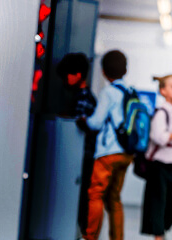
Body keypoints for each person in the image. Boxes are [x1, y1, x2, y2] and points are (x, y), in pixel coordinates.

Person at [82, 50, 133, 240]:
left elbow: (95, 122)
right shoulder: (130, 91)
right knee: (114, 198)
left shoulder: (108, 92)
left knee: (95, 194)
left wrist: (83, 121)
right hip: (127, 153)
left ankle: (90, 237)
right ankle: (117, 238)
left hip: (108, 152)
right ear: (125, 70)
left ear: (103, 71)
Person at [54, 53, 98, 236]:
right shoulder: (85, 96)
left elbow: (78, 124)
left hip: (83, 157)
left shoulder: (83, 99)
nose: (66, 79)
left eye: (68, 74)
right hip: (84, 157)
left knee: (81, 200)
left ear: (78, 74)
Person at [140, 74, 172, 240]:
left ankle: (160, 231)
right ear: (163, 90)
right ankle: (158, 235)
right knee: (157, 204)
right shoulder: (161, 112)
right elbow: (159, 136)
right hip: (159, 165)